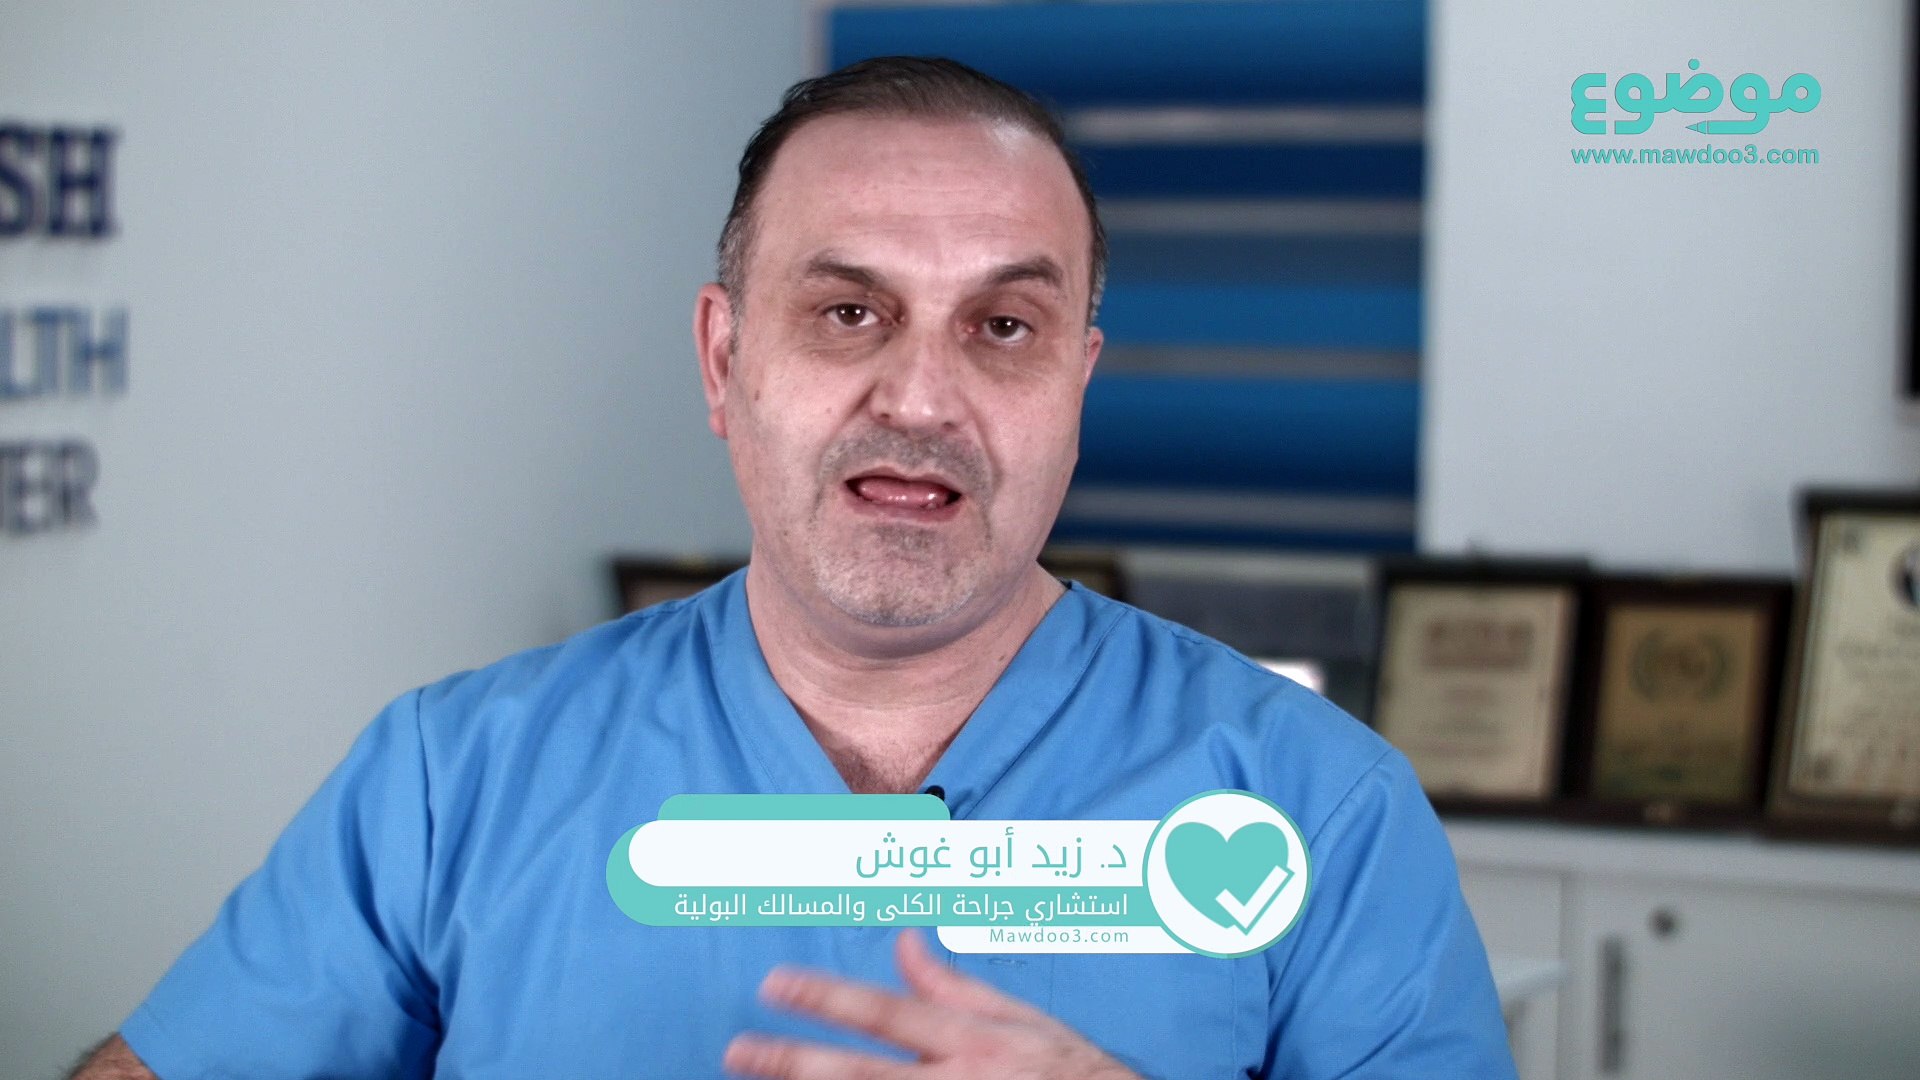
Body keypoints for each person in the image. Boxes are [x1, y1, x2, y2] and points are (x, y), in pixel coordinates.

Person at [71, 57, 1517, 1079]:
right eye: (847, 313)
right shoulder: (451, 781)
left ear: (1078, 382)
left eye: (1003, 328)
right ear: (723, 359)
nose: (924, 398)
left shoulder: (1319, 807)